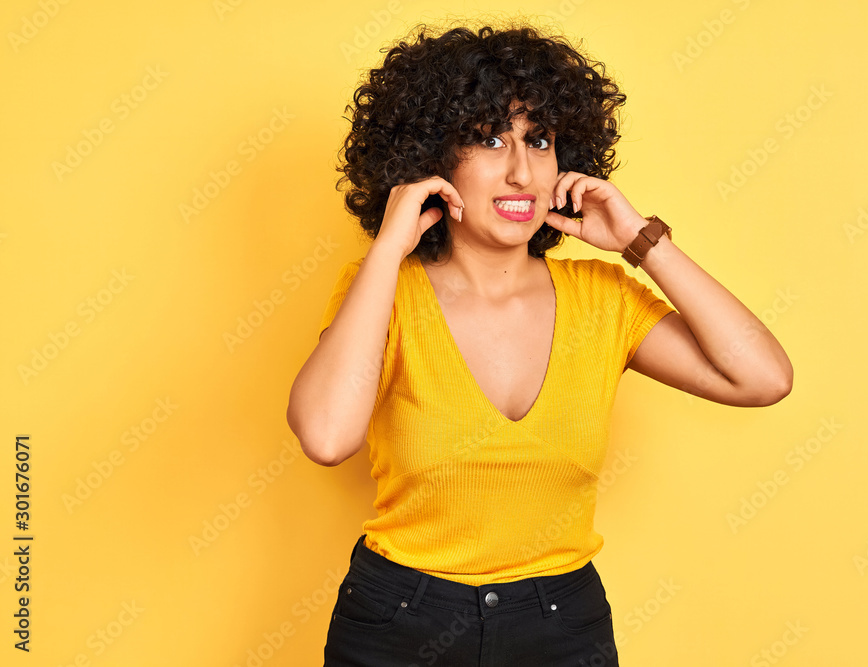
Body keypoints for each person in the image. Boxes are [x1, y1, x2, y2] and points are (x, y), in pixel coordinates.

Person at [287, 20, 792, 666]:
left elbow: (763, 376)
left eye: (540, 140)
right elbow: (327, 436)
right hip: (399, 623)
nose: (521, 171)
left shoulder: (602, 299)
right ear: (432, 161)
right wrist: (389, 247)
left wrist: (641, 240)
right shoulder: (383, 292)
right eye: (490, 139)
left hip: (560, 626)